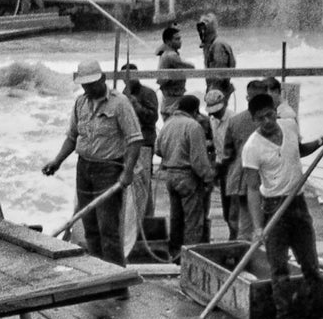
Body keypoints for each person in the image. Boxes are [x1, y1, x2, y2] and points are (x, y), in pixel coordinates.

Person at [242, 92, 323, 319]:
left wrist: (322, 140)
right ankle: (284, 318)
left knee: (311, 264)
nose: (267, 121)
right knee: (279, 268)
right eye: (260, 118)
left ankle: (319, 314)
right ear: (254, 120)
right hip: (274, 208)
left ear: (276, 111)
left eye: (269, 114)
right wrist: (257, 227)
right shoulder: (252, 148)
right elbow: (252, 189)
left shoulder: (289, 125)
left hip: (298, 203)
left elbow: (298, 151)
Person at [41, 59, 141, 268]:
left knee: (109, 229)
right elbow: (72, 137)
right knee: (90, 228)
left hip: (109, 169)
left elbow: (134, 139)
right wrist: (57, 161)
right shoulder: (80, 103)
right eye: (84, 85)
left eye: (92, 84)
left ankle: (116, 281)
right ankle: (97, 277)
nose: (88, 89)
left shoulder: (120, 103)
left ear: (103, 79)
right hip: (84, 168)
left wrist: (128, 171)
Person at [155, 93, 215, 261]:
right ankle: (191, 258)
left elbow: (158, 149)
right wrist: (208, 178)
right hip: (187, 177)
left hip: (170, 176)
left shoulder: (167, 124)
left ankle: (175, 254)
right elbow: (198, 161)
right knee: (193, 221)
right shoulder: (193, 126)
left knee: (176, 218)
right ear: (195, 110)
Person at [120, 61, 159, 256]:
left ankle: (146, 219)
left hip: (144, 143)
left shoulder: (148, 93)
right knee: (130, 185)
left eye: (133, 75)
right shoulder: (120, 94)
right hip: (126, 144)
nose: (130, 79)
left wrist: (136, 105)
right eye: (126, 76)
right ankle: (131, 222)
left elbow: (153, 118)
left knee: (144, 181)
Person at [222, 78, 269, 240]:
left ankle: (244, 257)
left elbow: (227, 153)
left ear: (247, 98)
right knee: (269, 224)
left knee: (245, 224)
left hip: (242, 177)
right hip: (267, 177)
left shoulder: (235, 120)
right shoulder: (272, 120)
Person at [204, 86, 233, 235]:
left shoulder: (233, 119)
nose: (214, 114)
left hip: (231, 166)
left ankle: (235, 236)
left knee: (233, 207)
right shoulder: (212, 120)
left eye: (217, 110)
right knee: (226, 206)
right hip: (221, 165)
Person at [156, 21, 194, 118]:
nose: (180, 41)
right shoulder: (171, 56)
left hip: (169, 99)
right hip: (173, 101)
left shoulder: (164, 53)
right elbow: (191, 67)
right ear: (168, 42)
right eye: (176, 39)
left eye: (180, 38)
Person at [197, 13, 236, 99]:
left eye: (204, 27)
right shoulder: (210, 45)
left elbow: (219, 75)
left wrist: (212, 94)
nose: (201, 31)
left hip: (218, 91)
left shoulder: (218, 46)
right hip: (214, 88)